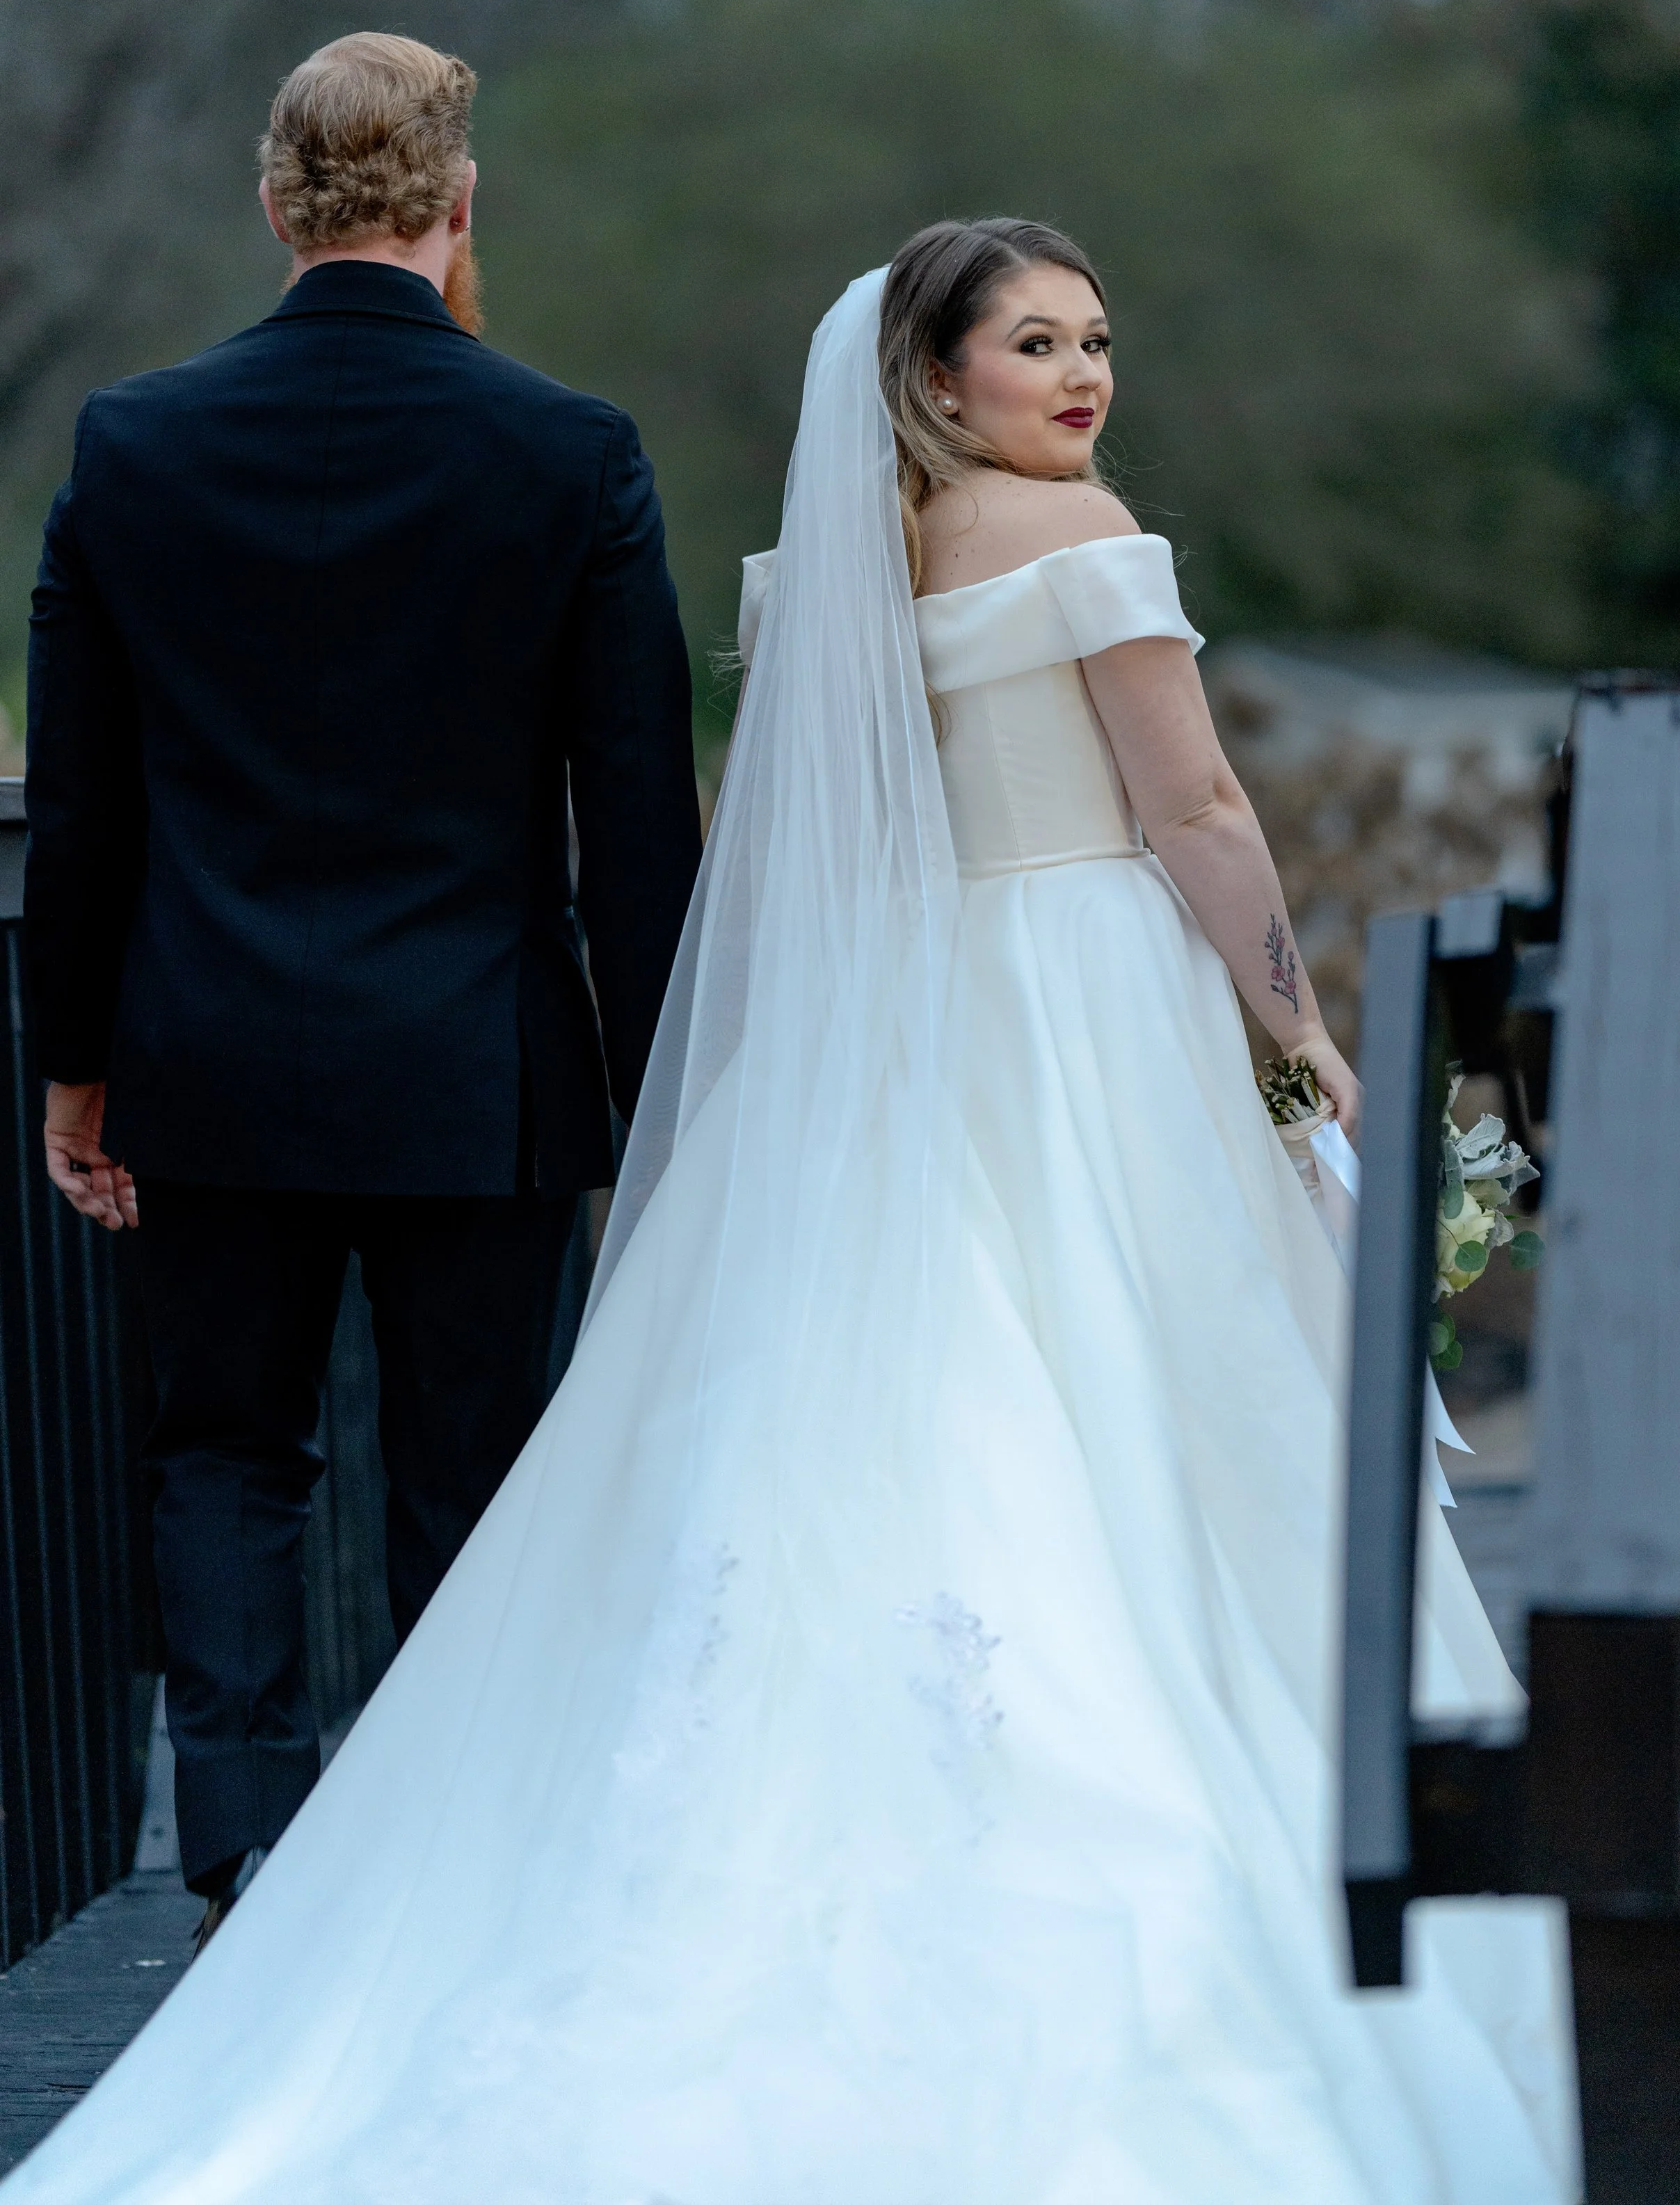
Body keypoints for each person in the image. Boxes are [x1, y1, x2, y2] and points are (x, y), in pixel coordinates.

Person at [8, 225, 1576, 2203]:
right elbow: (1192, 816)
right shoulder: (1085, 537)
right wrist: (1297, 1043)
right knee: (1136, 1406)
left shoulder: (838, 573)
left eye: (1095, 339)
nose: (1082, 376)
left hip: (914, 1025)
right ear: (935, 378)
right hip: (1089, 1010)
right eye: (1031, 343)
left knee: (909, 1398)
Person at [22, 33, 701, 1950]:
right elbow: (634, 823)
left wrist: (71, 1066)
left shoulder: (132, 442)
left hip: (208, 1053)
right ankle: (458, 1830)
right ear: (460, 206)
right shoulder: (570, 452)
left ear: (273, 205)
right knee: (470, 1465)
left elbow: (78, 809)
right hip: (478, 1069)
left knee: (224, 1447)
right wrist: (659, 1098)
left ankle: (240, 1840)